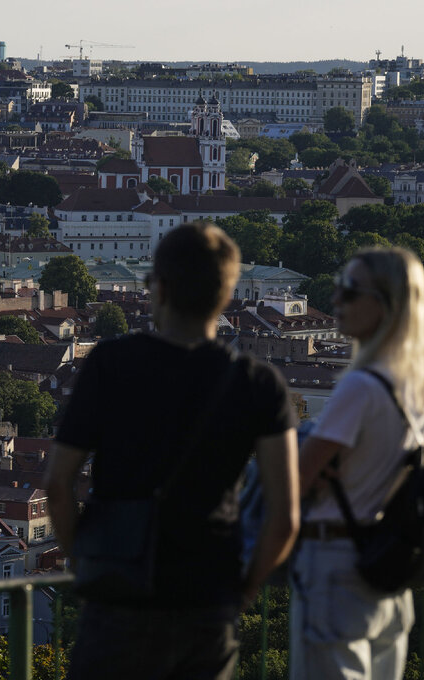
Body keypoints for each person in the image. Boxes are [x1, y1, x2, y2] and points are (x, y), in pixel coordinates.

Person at [46, 222, 299, 680]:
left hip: (120, 592)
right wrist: (241, 592)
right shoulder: (259, 384)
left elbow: (58, 483)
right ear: (227, 294)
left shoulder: (110, 363)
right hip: (206, 595)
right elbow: (284, 518)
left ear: (158, 288)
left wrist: (83, 560)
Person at [290, 248, 424, 679]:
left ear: (385, 305)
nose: (336, 300)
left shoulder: (361, 386)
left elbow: (293, 484)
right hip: (388, 567)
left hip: (335, 565)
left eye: (349, 290)